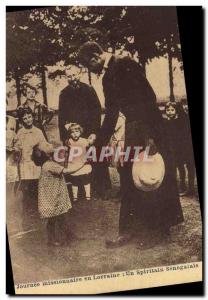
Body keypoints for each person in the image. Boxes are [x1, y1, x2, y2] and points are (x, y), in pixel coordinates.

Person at [79, 41, 184, 248]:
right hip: (133, 129)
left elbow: (148, 98)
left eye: (88, 65)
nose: (90, 70)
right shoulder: (108, 76)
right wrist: (98, 145)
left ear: (94, 56)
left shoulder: (124, 63)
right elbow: (110, 114)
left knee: (150, 178)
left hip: (149, 128)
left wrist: (150, 138)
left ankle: (157, 232)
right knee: (129, 177)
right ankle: (128, 230)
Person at [58, 65, 111, 198]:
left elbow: (97, 111)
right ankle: (79, 188)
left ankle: (101, 188)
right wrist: (65, 137)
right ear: (66, 78)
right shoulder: (64, 94)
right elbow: (62, 116)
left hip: (89, 131)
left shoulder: (89, 90)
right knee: (75, 159)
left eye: (74, 75)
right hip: (73, 134)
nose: (72, 78)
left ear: (79, 74)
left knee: (97, 156)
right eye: (69, 76)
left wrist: (94, 132)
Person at [32, 142, 83, 246]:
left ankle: (55, 239)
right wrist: (82, 165)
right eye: (46, 145)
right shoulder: (50, 165)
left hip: (52, 195)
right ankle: (60, 239)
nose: (48, 144)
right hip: (54, 196)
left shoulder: (47, 163)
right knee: (59, 217)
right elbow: (66, 171)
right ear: (45, 153)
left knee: (54, 218)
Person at [14, 107, 47, 221]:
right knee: (26, 187)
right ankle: (28, 210)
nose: (28, 120)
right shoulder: (20, 133)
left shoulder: (38, 131)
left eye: (29, 117)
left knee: (37, 185)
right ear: (22, 120)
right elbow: (17, 146)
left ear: (32, 116)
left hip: (36, 163)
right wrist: (17, 152)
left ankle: (39, 208)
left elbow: (44, 145)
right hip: (25, 163)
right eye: (25, 118)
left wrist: (40, 150)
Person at [65, 123, 96, 201]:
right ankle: (75, 196)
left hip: (82, 163)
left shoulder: (84, 141)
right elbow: (66, 150)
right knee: (74, 180)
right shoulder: (69, 141)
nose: (75, 134)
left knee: (86, 179)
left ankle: (88, 195)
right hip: (74, 163)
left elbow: (91, 144)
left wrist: (91, 140)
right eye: (72, 132)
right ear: (70, 133)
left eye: (77, 131)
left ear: (80, 132)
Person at [163, 102, 186, 196]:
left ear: (176, 111)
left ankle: (182, 185)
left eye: (172, 110)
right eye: (168, 110)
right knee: (171, 168)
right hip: (170, 148)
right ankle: (172, 187)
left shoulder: (179, 122)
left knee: (180, 167)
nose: (170, 112)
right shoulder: (165, 122)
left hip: (178, 148)